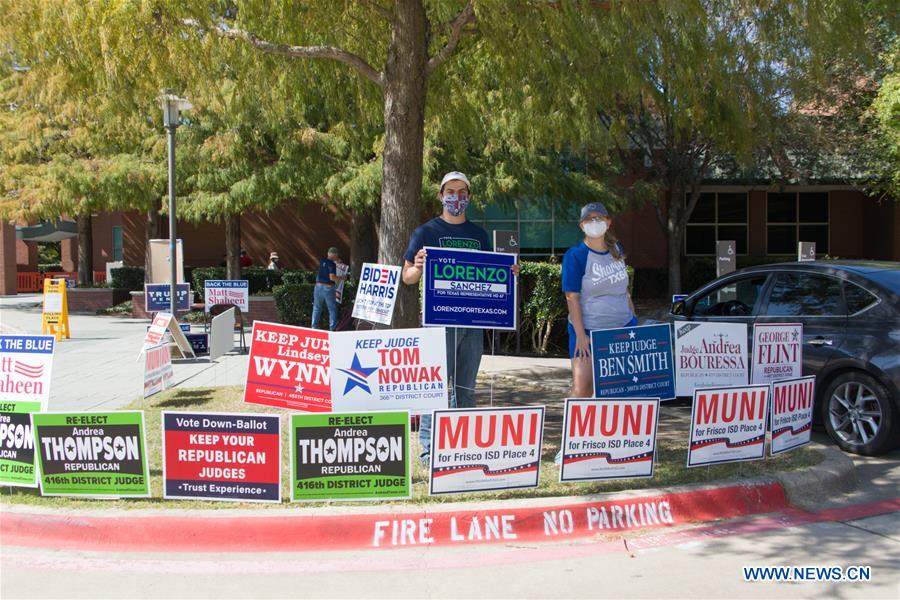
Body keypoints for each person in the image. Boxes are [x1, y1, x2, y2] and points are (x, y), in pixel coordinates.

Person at [402, 171, 519, 464]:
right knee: (438, 389)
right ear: (441, 196)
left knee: (466, 388)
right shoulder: (425, 233)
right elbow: (407, 277)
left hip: (474, 323)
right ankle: (430, 451)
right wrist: (417, 266)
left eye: (462, 193)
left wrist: (510, 273)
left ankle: (461, 446)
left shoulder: (479, 235)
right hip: (439, 322)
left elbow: (491, 275)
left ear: (468, 197)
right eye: (451, 192)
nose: (457, 198)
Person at [562, 202, 637, 398]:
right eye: (589, 219)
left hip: (622, 329)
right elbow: (571, 297)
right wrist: (580, 335)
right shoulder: (575, 255)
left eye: (599, 218)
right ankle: (575, 428)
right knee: (583, 388)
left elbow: (625, 290)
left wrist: (634, 319)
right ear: (581, 225)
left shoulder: (617, 249)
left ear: (608, 222)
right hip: (588, 331)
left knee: (621, 389)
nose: (594, 222)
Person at [311, 246, 346, 331]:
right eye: (337, 255)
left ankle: (313, 327)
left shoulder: (322, 261)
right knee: (332, 309)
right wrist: (341, 278)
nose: (337, 257)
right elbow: (332, 277)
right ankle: (332, 328)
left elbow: (327, 267)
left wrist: (337, 262)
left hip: (318, 286)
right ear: (334, 255)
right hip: (328, 287)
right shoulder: (332, 264)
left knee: (317, 307)